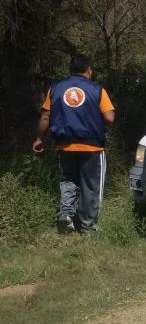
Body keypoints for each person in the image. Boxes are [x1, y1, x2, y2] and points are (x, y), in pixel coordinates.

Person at [32, 54, 115, 234]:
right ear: (89, 70)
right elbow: (110, 117)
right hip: (92, 146)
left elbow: (45, 116)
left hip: (64, 144)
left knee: (68, 180)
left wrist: (39, 138)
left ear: (71, 70)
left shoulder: (55, 89)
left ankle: (66, 214)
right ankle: (87, 227)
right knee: (91, 186)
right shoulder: (97, 90)